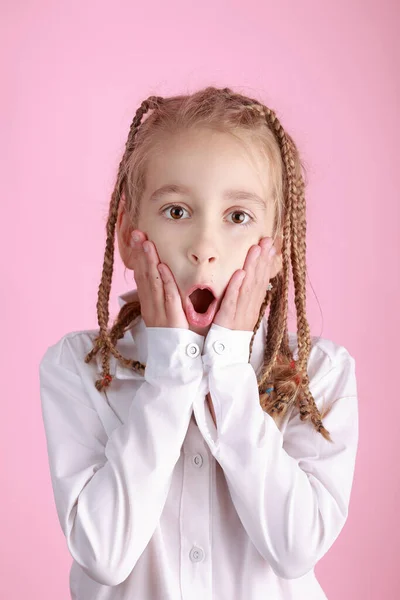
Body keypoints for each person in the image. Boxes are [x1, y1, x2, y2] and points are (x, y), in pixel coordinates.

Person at [39, 86, 359, 600]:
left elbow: (295, 547)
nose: (204, 249)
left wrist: (228, 371)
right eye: (176, 211)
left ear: (276, 250)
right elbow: (103, 555)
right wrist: (169, 376)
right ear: (127, 232)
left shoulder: (322, 373)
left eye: (238, 217)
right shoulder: (77, 367)